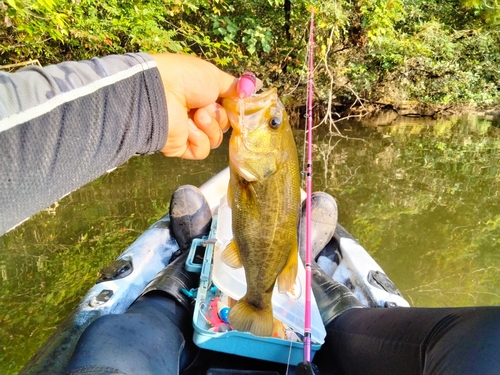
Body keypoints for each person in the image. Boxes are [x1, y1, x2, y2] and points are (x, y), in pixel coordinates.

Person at [2, 53, 499, 375]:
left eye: (275, 122)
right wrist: (148, 99)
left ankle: (179, 284)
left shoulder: (256, 167)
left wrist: (141, 99)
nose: (269, 113)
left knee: (109, 340)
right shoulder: (255, 163)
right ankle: (321, 287)